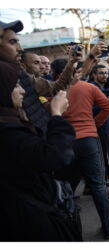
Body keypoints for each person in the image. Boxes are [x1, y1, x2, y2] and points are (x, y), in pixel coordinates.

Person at [0, 61, 81, 241]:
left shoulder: (10, 121)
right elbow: (55, 156)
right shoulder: (7, 133)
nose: (22, 90)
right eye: (15, 85)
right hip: (31, 222)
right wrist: (57, 115)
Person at [62, 63, 109, 240]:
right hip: (89, 140)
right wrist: (95, 123)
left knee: (65, 185)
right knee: (98, 185)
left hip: (66, 142)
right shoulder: (89, 87)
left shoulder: (54, 89)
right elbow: (108, 107)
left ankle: (67, 227)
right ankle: (108, 228)